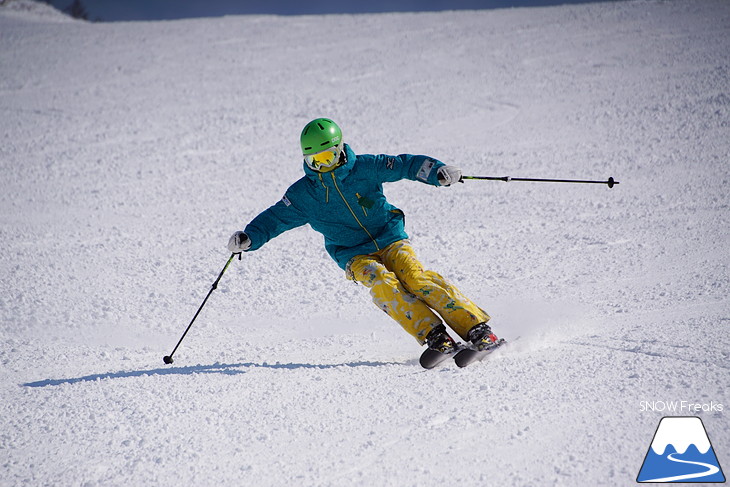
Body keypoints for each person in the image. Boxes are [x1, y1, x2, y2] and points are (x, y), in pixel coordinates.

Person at [228, 118, 499, 356]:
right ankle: (435, 335)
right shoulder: (304, 194)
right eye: (316, 161)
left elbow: (405, 165)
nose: (324, 166)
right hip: (353, 254)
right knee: (381, 282)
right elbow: (275, 218)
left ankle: (477, 328)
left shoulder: (366, 167)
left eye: (329, 157)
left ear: (340, 150)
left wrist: (437, 172)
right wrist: (249, 238)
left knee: (415, 278)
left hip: (390, 238)